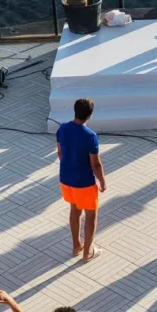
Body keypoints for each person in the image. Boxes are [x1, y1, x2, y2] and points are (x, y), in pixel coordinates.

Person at [57, 98, 107, 260]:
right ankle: (88, 252)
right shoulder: (90, 136)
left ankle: (76, 245)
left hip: (66, 179)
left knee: (75, 210)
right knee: (91, 215)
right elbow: (96, 164)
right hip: (84, 183)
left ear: (75, 111)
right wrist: (102, 181)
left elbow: (60, 153)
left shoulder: (62, 128)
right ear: (90, 115)